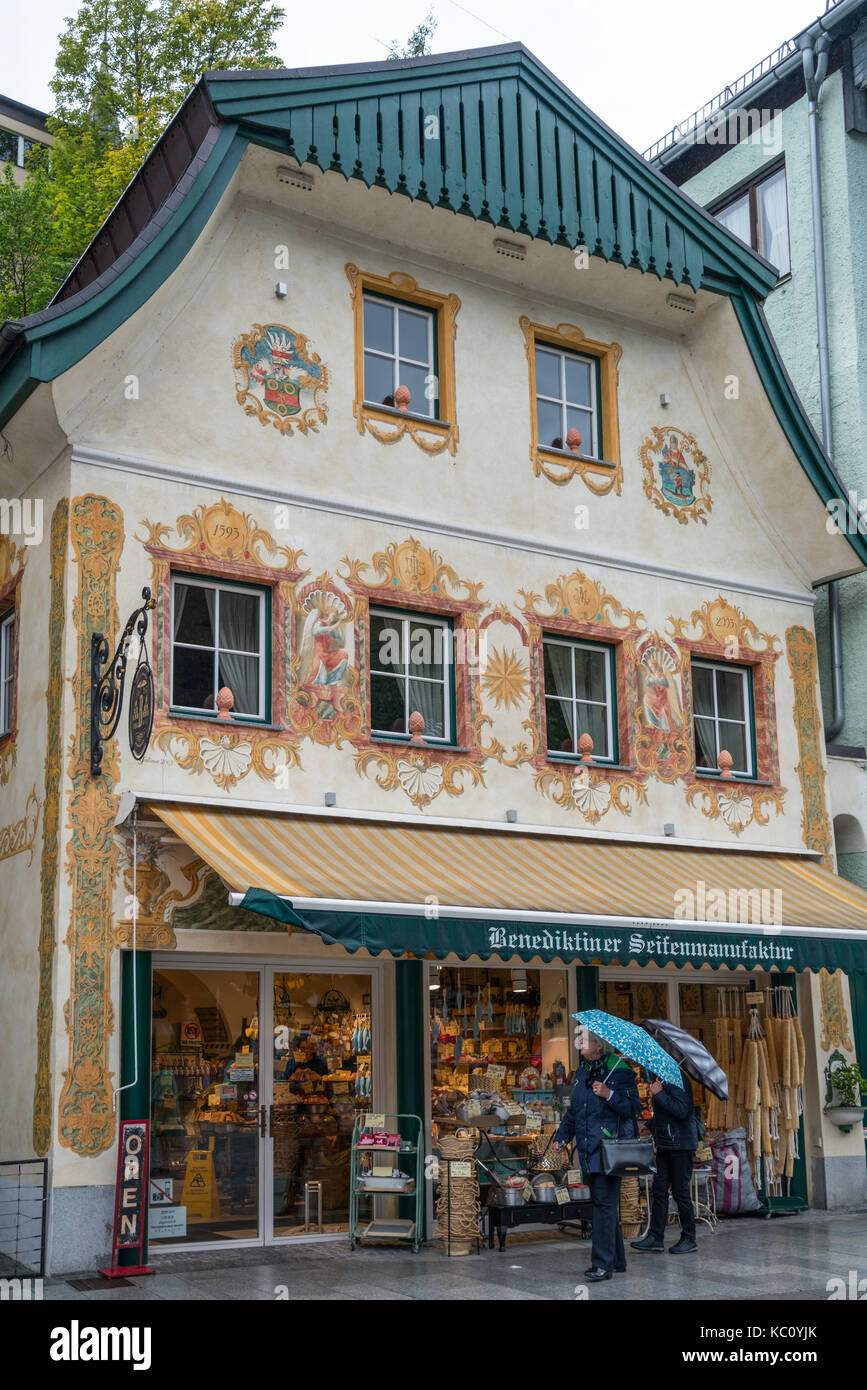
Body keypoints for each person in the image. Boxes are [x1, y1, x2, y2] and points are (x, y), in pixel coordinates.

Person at [552, 1030, 641, 1282]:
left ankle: (602, 1264)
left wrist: (609, 1095)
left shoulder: (619, 1071)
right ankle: (618, 1260)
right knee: (603, 1204)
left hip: (609, 1148)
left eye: (585, 1040)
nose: (580, 1043)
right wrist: (562, 1137)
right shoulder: (582, 1072)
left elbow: (634, 1108)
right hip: (588, 1149)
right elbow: (573, 1112)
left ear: (599, 1045)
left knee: (603, 1204)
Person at [631, 1063, 698, 1254]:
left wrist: (659, 1094)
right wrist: (651, 1125)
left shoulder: (677, 1079)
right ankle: (655, 1237)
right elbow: (666, 1112)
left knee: (680, 1191)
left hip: (681, 1145)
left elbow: (681, 1110)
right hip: (666, 1143)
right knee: (659, 1189)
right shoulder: (661, 1079)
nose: (648, 1068)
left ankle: (689, 1238)